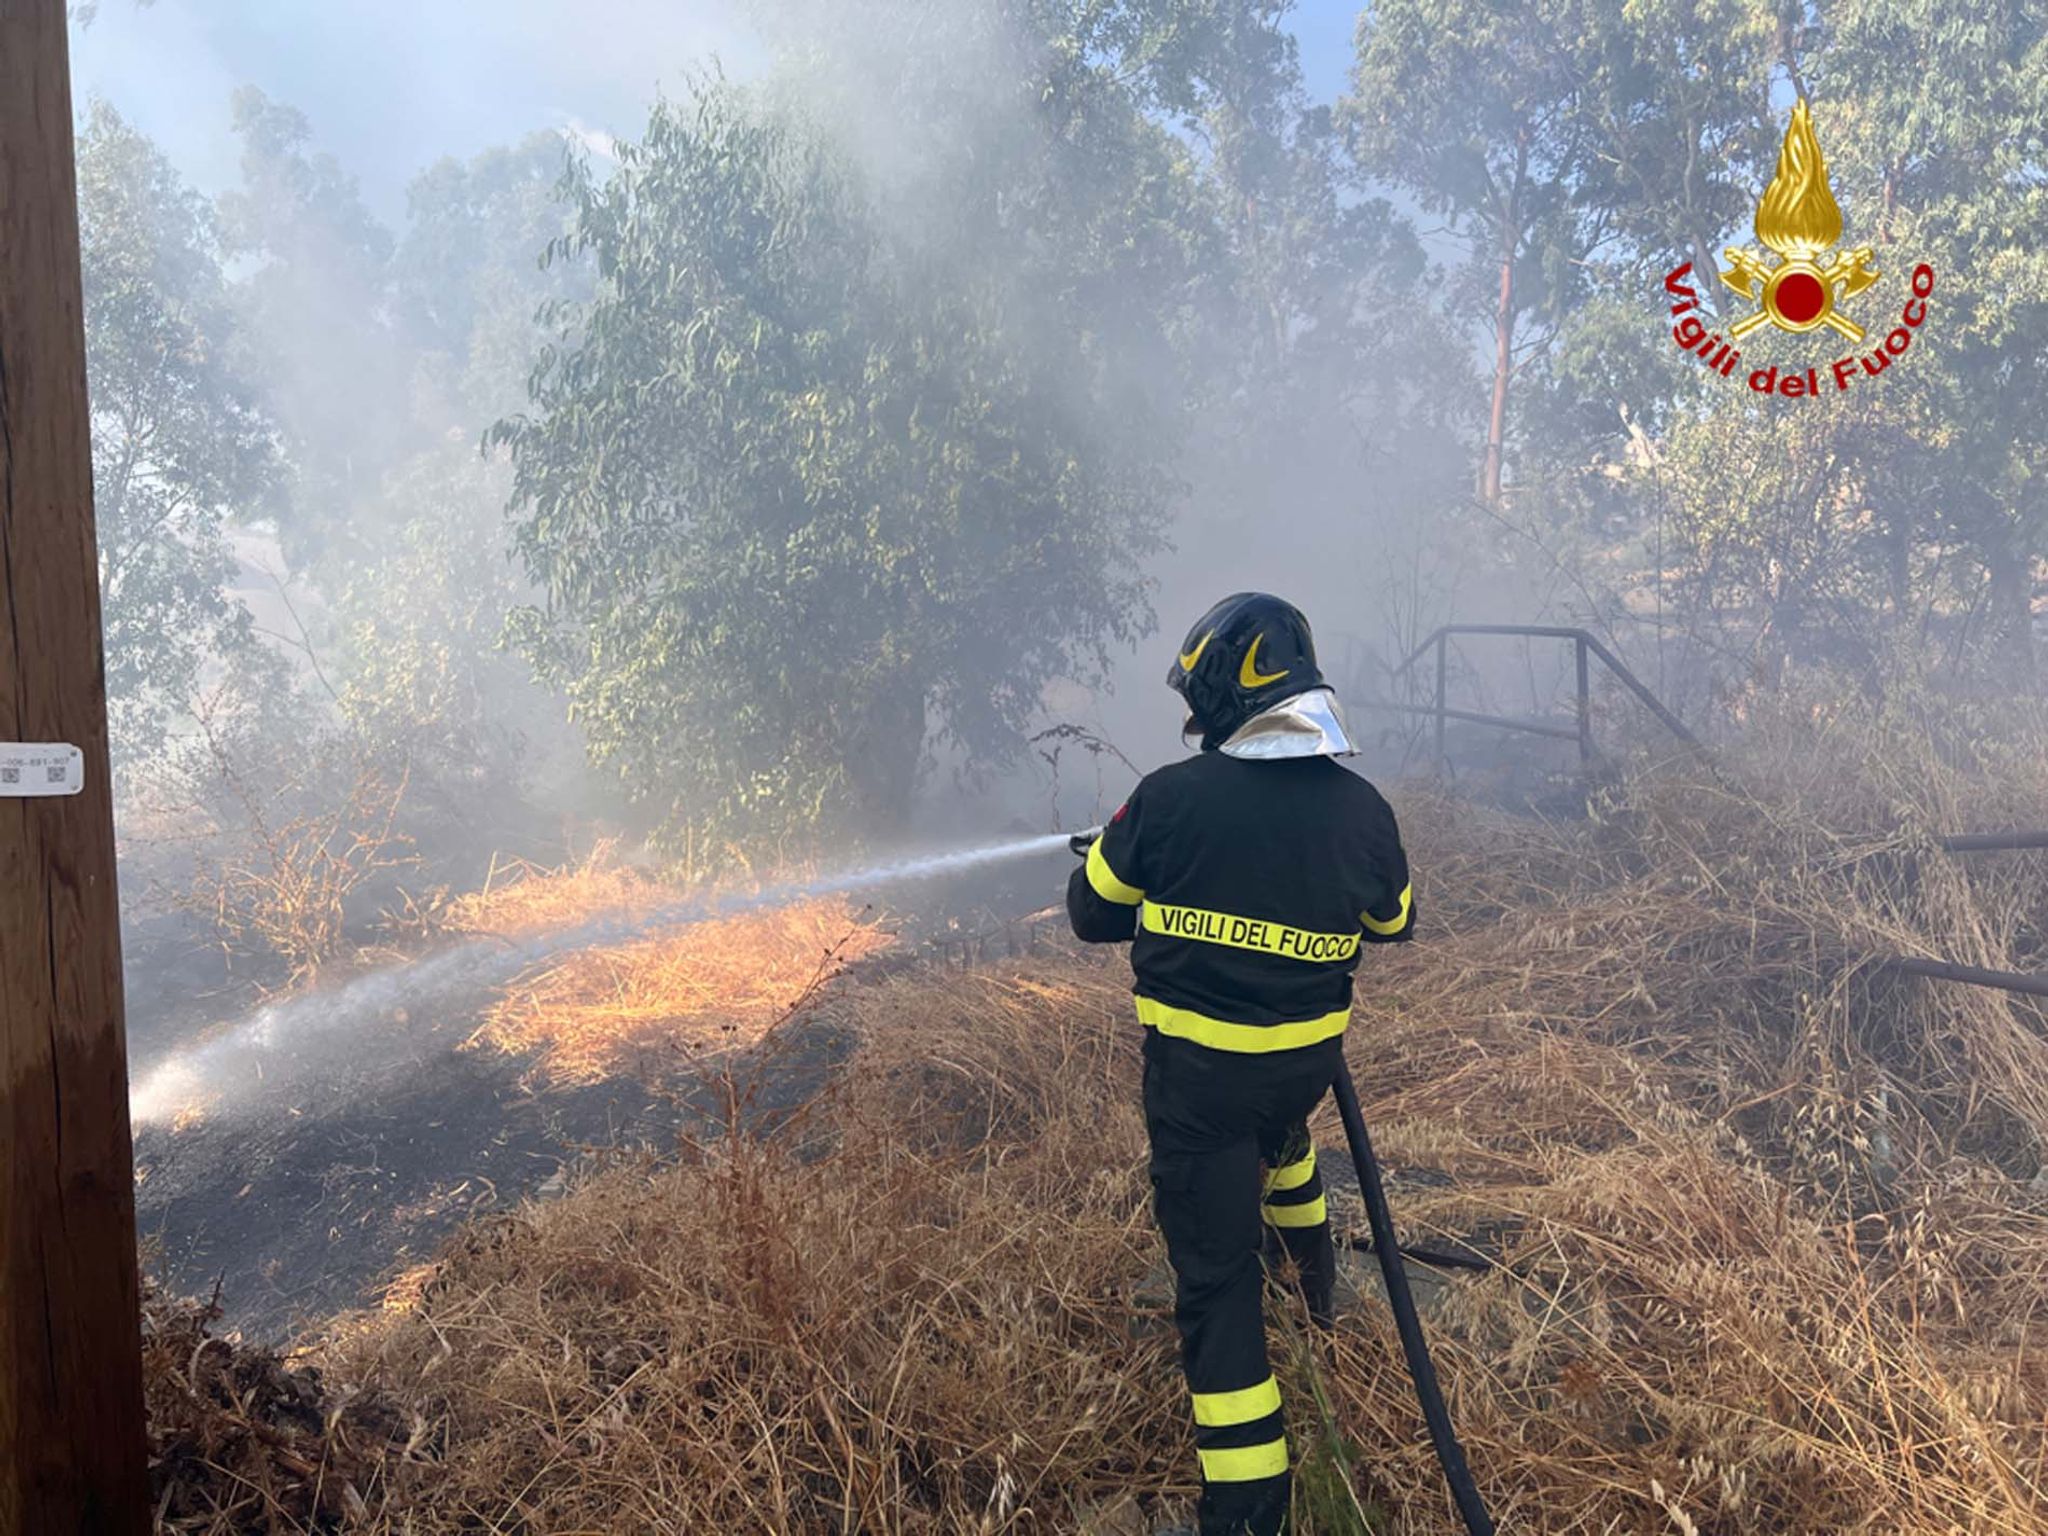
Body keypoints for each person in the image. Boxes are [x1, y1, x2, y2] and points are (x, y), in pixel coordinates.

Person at [1066, 592, 1414, 1536]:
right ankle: (1313, 1297)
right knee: (1284, 1145)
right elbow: (1393, 922)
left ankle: (1250, 1506)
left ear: (1228, 693)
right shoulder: (1365, 809)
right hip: (1297, 1070)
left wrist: (1114, 848)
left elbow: (1091, 911)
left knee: (1215, 1288)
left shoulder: (1171, 799)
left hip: (1199, 1092)